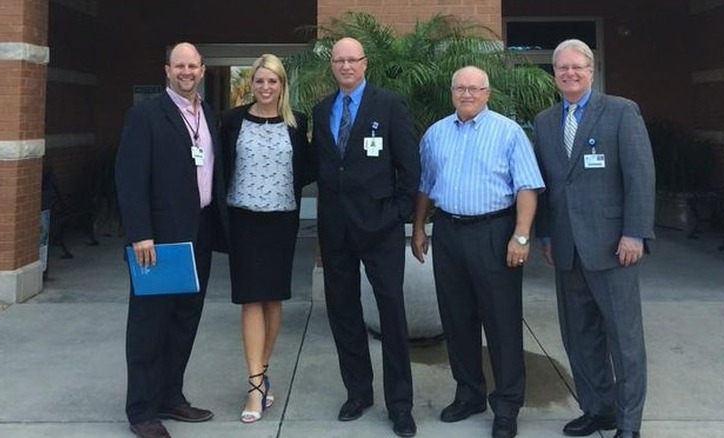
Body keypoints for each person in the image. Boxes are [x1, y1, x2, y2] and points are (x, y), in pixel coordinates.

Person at [411, 66, 545, 438]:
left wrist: (521, 236)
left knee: (501, 322)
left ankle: (506, 406)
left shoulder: (508, 132)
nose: (467, 94)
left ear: (487, 92)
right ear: (452, 92)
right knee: (457, 319)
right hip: (449, 233)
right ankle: (469, 393)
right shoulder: (436, 134)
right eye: (460, 88)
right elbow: (425, 184)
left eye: (474, 88)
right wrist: (420, 227)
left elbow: (527, 187)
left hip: (494, 231)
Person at [533, 39, 655, 438]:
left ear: (591, 69)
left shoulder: (620, 111)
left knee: (624, 341)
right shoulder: (546, 121)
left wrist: (635, 232)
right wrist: (547, 234)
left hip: (613, 247)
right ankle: (597, 408)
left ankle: (629, 422)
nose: (569, 73)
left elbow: (640, 177)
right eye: (562, 68)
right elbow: (549, 185)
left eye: (577, 67)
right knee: (579, 336)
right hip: (566, 249)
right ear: (554, 75)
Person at [115, 42, 229, 438]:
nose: (186, 72)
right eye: (179, 65)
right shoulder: (145, 116)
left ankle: (170, 396)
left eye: (193, 65)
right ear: (167, 70)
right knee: (149, 324)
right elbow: (129, 180)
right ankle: (142, 410)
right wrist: (140, 234)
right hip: (158, 241)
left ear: (202, 69)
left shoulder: (207, 113)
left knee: (184, 320)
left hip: (199, 232)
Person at [312, 37, 420, 438]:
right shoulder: (322, 110)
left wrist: (397, 213)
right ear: (333, 66)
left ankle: (400, 404)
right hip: (336, 231)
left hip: (380, 228)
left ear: (365, 63)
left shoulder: (389, 105)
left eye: (351, 59)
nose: (345, 66)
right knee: (343, 313)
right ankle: (358, 392)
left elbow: (411, 168)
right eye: (338, 60)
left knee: (391, 314)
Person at [220, 54, 312, 424]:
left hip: (281, 222)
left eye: (272, 81)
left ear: (282, 85)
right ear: (251, 84)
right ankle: (255, 384)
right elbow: (220, 167)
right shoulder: (231, 121)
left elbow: (304, 169)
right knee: (250, 300)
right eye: (259, 81)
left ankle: (263, 368)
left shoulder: (297, 124)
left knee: (273, 299)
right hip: (244, 222)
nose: (265, 87)